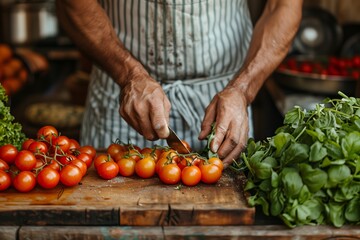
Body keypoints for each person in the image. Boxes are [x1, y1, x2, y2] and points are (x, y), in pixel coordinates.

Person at [56, 0, 302, 168]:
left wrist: (242, 89)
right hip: (122, 96)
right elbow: (73, 4)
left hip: (223, 99)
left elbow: (283, 6)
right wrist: (127, 74)